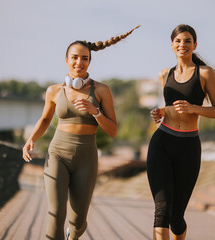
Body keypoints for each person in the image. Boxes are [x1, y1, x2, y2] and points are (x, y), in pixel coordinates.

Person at [22, 25, 140, 240]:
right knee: (55, 213)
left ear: (89, 61)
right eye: (74, 57)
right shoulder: (54, 91)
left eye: (84, 58)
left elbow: (113, 130)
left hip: (87, 157)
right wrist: (31, 139)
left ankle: (72, 235)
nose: (79, 62)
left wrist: (96, 112)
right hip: (57, 153)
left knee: (78, 222)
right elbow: (46, 119)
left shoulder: (101, 91)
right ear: (66, 60)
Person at [147, 24, 215, 240]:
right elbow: (170, 107)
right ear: (172, 45)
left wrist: (193, 108)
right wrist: (161, 112)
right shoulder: (164, 74)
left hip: (188, 148)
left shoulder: (205, 73)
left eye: (188, 40)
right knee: (161, 210)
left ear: (195, 45)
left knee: (176, 217)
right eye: (178, 41)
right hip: (162, 142)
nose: (183, 44)